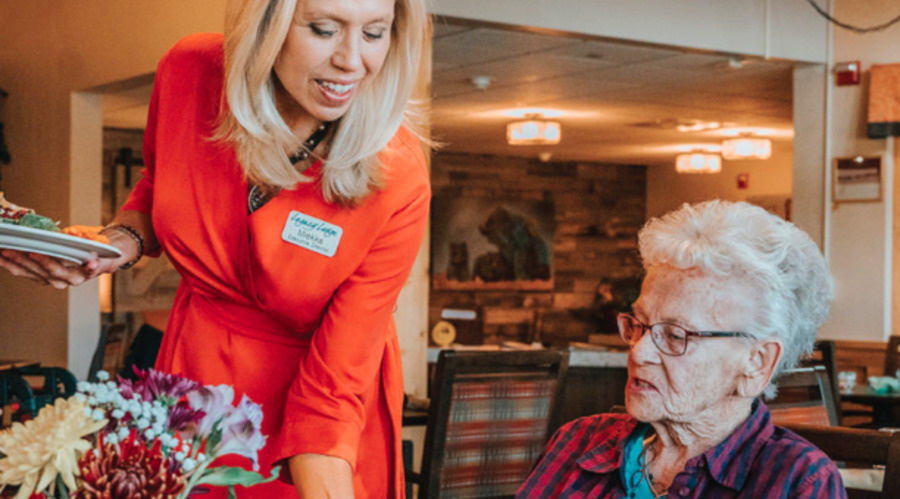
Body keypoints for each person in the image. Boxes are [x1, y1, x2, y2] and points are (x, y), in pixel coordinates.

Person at [0, 0, 431, 496]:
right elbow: (163, 184)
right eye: (324, 29)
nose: (352, 60)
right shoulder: (190, 73)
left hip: (319, 417)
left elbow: (329, 401)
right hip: (192, 387)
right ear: (266, 24)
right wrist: (117, 243)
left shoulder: (398, 175)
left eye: (375, 34)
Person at [517, 200, 846, 498]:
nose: (639, 353)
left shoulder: (797, 482)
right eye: (640, 324)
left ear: (757, 362)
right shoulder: (577, 441)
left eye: (675, 336)